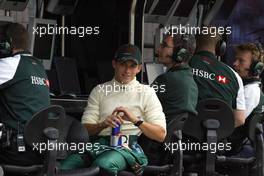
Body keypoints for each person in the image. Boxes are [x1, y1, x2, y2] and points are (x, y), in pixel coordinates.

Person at [61, 44, 167, 175]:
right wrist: (103, 124)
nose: (127, 70)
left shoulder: (147, 92)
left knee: (103, 165)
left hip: (126, 147)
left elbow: (161, 135)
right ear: (114, 64)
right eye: (123, 64)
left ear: (139, 68)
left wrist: (135, 120)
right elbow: (85, 130)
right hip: (97, 144)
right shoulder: (99, 90)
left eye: (132, 66)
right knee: (63, 167)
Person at [0, 23, 50, 165]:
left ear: (7, 44)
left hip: (14, 151)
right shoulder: (39, 67)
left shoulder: (9, 64)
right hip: (40, 151)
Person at [189, 30, 246, 128]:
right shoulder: (234, 76)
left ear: (194, 45)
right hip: (219, 139)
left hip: (184, 136)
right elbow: (240, 119)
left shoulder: (184, 64)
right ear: (220, 47)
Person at [233, 43, 264, 117]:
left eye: (241, 61)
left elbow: (234, 121)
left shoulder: (251, 90)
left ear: (255, 67)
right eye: (235, 59)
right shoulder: (246, 86)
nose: (235, 63)